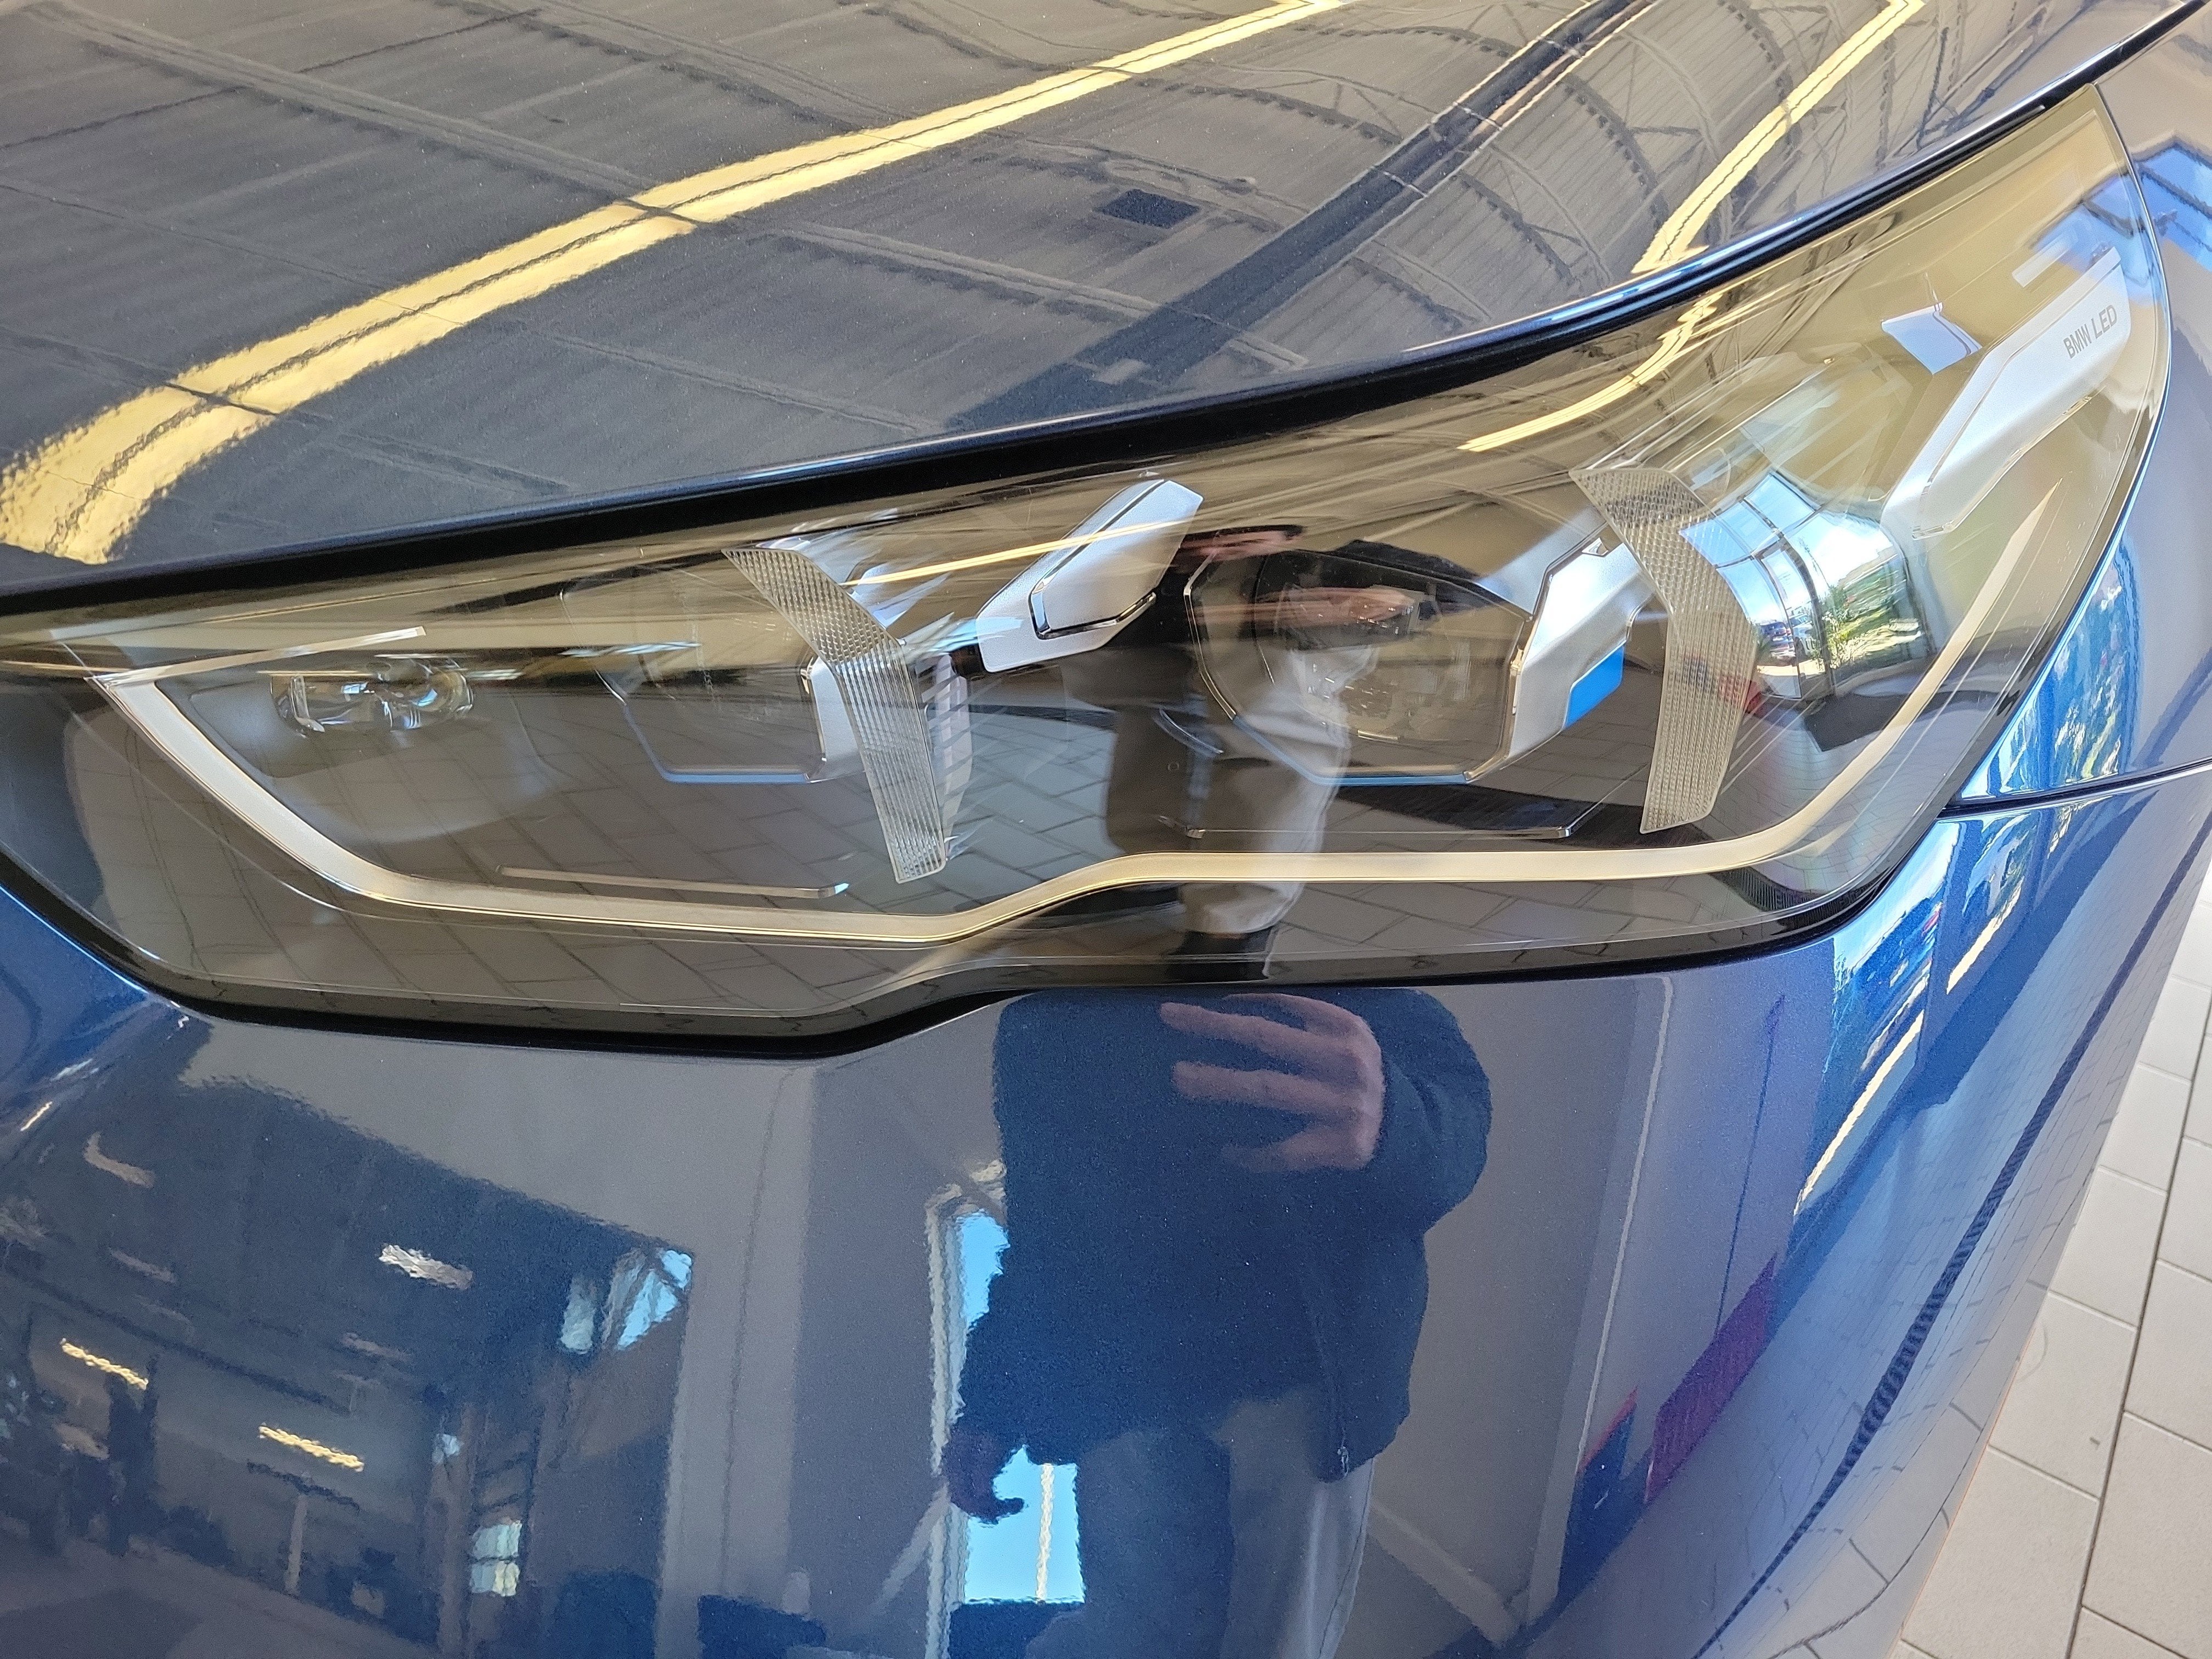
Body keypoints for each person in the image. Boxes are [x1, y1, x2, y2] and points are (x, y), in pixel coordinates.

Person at [944, 988, 1489, 1659]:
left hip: (1297, 1373)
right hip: (1123, 1374)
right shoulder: (1050, 1012)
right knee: (1132, 1642)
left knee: (1266, 1648)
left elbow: (1459, 1129)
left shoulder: (1341, 969)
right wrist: (993, 1399)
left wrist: (1398, 1117)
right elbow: (1043, 1223)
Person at [1052, 526, 1488, 970]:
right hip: (1141, 538)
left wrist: (1294, 527)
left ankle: (1233, 920)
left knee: (1273, 730)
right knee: (1149, 702)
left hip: (1279, 554)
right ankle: (1154, 864)